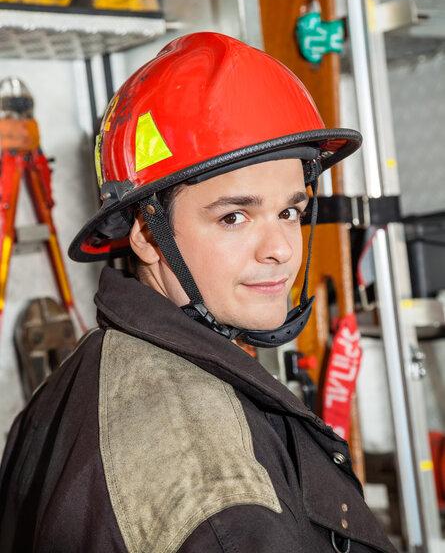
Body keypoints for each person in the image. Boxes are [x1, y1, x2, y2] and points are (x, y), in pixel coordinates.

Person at [0, 32, 396, 553]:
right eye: (234, 216)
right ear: (146, 234)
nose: (280, 248)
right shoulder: (218, 495)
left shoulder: (81, 378)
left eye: (290, 212)